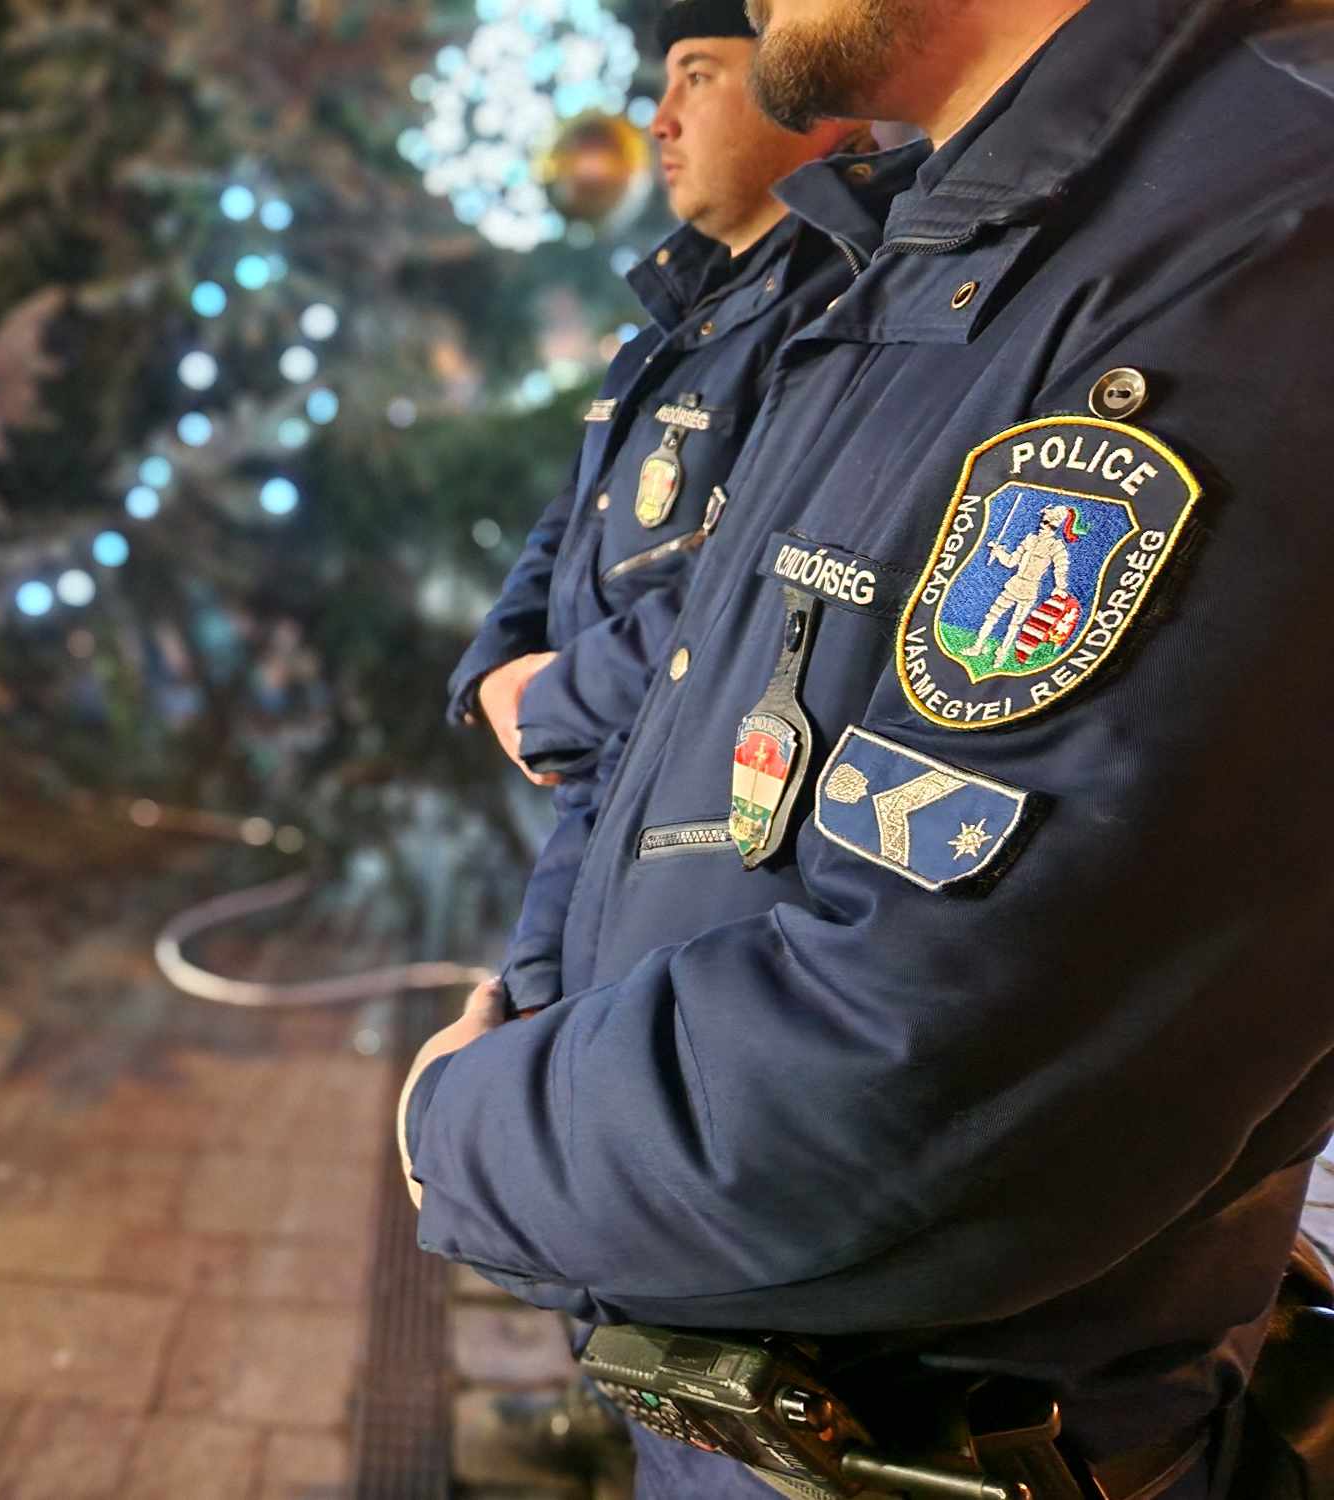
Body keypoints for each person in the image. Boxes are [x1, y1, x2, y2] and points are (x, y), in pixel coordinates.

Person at [402, 0, 1334, 1496]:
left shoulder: (1252, 249)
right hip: (742, 1400)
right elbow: (681, 730)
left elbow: (920, 1067)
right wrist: (531, 1030)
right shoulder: (945, 249)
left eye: (695, 74)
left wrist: (459, 1125)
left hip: (946, 1453)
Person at [447, 0, 866, 1019]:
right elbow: (572, 520)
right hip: (595, 819)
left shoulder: (848, 308)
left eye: (697, 75)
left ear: (804, 84)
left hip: (696, 841)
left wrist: (549, 702)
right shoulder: (676, 328)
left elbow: (758, 594)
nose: (658, 119)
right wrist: (495, 668)